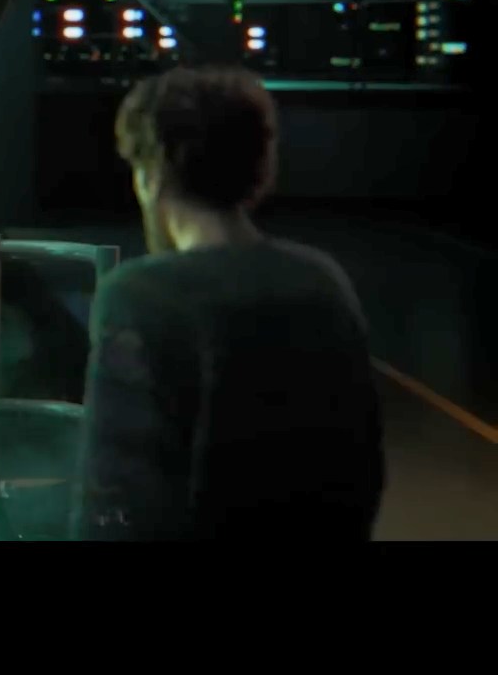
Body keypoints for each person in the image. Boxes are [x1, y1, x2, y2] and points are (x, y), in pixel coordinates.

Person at [74, 65, 385, 540]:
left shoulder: (140, 296)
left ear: (152, 174)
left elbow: (117, 494)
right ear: (259, 168)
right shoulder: (323, 281)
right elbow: (363, 467)